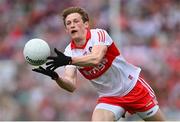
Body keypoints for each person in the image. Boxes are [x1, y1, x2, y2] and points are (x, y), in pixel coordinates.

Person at [32, 7, 165, 121]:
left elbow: (95, 58)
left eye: (76, 21)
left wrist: (69, 60)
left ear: (86, 24)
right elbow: (71, 85)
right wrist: (56, 78)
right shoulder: (69, 51)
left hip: (133, 88)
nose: (72, 25)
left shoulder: (99, 35)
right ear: (67, 30)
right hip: (109, 97)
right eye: (68, 23)